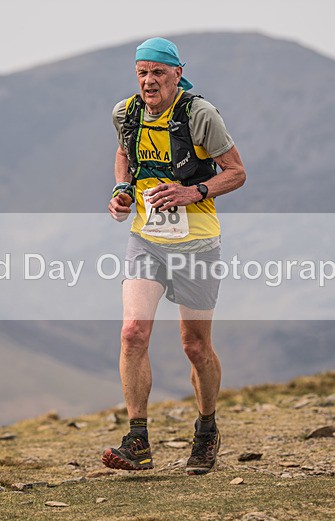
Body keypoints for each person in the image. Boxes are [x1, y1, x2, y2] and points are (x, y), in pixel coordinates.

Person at [103, 37, 246, 475]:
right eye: (142, 72)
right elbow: (124, 154)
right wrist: (122, 190)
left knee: (195, 345)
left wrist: (193, 191)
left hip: (197, 243)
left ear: (177, 74)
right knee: (132, 333)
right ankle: (137, 441)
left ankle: (206, 431)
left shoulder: (199, 115)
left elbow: (237, 172)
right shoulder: (125, 113)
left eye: (158, 73)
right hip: (144, 239)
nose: (149, 81)